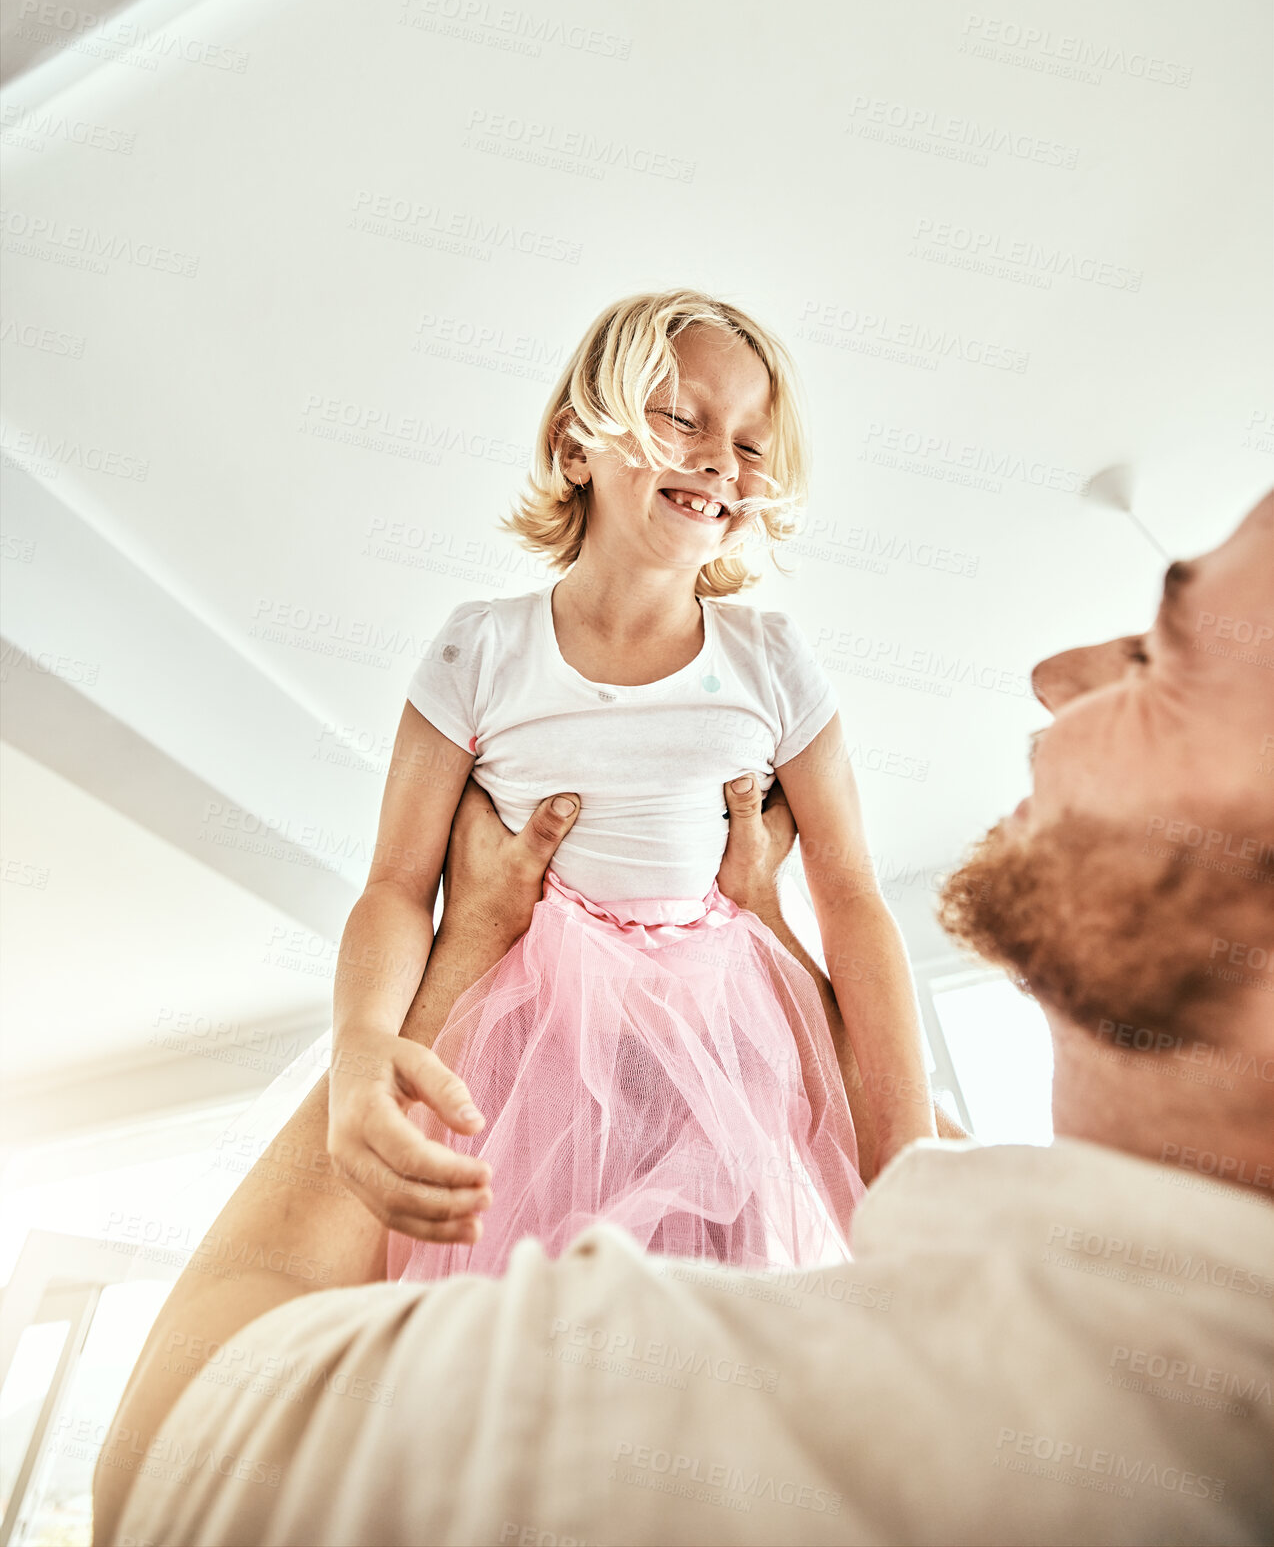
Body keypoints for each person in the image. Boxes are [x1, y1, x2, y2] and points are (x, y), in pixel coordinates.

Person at [96, 493, 1274, 1547]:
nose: (1059, 670)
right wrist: (762, 913)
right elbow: (918, 1173)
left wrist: (465, 944)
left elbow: (165, 1456)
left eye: (1162, 653)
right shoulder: (1110, 1299)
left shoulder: (744, 1427)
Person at [327, 288, 936, 1285]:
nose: (719, 459)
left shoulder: (769, 658)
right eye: (681, 417)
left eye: (750, 443)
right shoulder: (480, 649)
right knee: (512, 1320)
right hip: (525, 1060)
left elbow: (853, 893)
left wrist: (905, 1141)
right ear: (576, 446)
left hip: (725, 1058)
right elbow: (395, 883)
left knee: (711, 1323)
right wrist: (359, 1046)